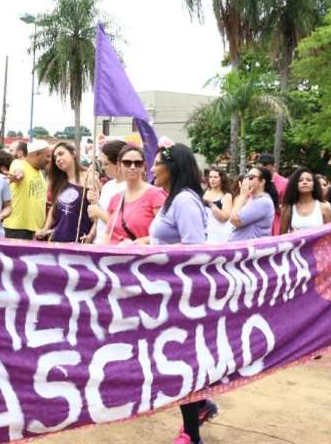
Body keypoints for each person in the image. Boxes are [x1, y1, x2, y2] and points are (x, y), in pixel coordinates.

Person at [148, 143, 217, 444]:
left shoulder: (185, 202)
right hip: (168, 292)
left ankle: (192, 434)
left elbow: (194, 250)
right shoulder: (172, 200)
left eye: (156, 163)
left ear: (172, 167)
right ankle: (201, 406)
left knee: (182, 362)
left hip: (183, 295)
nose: (152, 169)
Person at [103, 145, 165, 245]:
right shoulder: (115, 199)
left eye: (138, 163)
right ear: (119, 165)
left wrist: (142, 241)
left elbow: (165, 235)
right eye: (127, 163)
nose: (132, 167)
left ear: (144, 165)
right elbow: (108, 233)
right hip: (113, 257)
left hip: (141, 257)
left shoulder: (156, 195)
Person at [36, 142, 96, 243]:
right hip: (56, 240)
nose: (58, 159)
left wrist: (91, 235)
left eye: (61, 154)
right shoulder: (59, 181)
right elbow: (54, 208)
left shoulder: (90, 178)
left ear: (73, 153)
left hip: (79, 241)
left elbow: (97, 213)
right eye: (55, 158)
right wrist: (45, 229)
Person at [4, 139, 49, 240]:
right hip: (18, 229)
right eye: (47, 156)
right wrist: (17, 175)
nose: (49, 160)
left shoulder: (39, 172)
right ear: (37, 154)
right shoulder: (19, 163)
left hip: (36, 230)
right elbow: (18, 171)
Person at [87, 140, 127, 244]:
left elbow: (121, 223)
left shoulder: (129, 188)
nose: (103, 168)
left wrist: (98, 212)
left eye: (106, 164)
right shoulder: (108, 186)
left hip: (116, 247)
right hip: (100, 243)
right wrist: (94, 202)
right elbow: (97, 220)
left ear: (118, 163)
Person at [229, 166, 279, 241]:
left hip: (251, 250)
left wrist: (242, 196)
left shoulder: (263, 202)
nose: (246, 180)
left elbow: (234, 219)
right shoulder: (252, 199)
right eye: (246, 177)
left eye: (251, 178)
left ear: (262, 182)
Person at [280, 167, 331, 234]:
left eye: (308, 180)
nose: (304, 182)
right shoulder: (289, 208)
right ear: (295, 185)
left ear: (314, 185)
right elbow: (282, 237)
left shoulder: (324, 207)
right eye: (300, 180)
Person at [256, 153, 288, 235]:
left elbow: (287, 208)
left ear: (274, 167)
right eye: (261, 171)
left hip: (275, 224)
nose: (265, 174)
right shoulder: (255, 181)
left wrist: (276, 205)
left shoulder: (284, 183)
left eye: (268, 170)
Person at [204, 167, 233, 243]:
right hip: (203, 234)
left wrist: (211, 204)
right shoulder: (204, 192)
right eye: (210, 177)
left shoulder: (226, 196)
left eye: (215, 177)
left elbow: (224, 218)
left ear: (222, 179)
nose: (212, 179)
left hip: (218, 236)